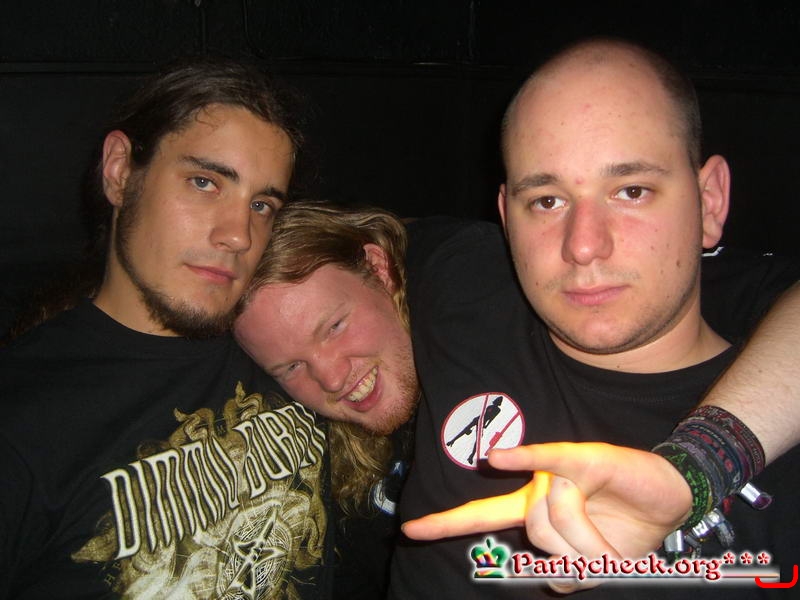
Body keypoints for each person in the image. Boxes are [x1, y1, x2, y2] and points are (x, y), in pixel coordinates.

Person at [390, 38, 800, 599]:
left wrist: (694, 468)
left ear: (709, 202)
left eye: (631, 191)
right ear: (506, 217)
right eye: (547, 200)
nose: (583, 246)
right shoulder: (462, 286)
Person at [0, 58, 335, 599]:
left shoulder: (285, 345)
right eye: (205, 182)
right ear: (119, 172)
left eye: (261, 204)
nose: (239, 236)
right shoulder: (20, 422)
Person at [234, 201, 419, 599]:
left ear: (379, 270)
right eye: (291, 367)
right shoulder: (323, 468)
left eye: (334, 327)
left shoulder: (488, 350)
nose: (332, 379)